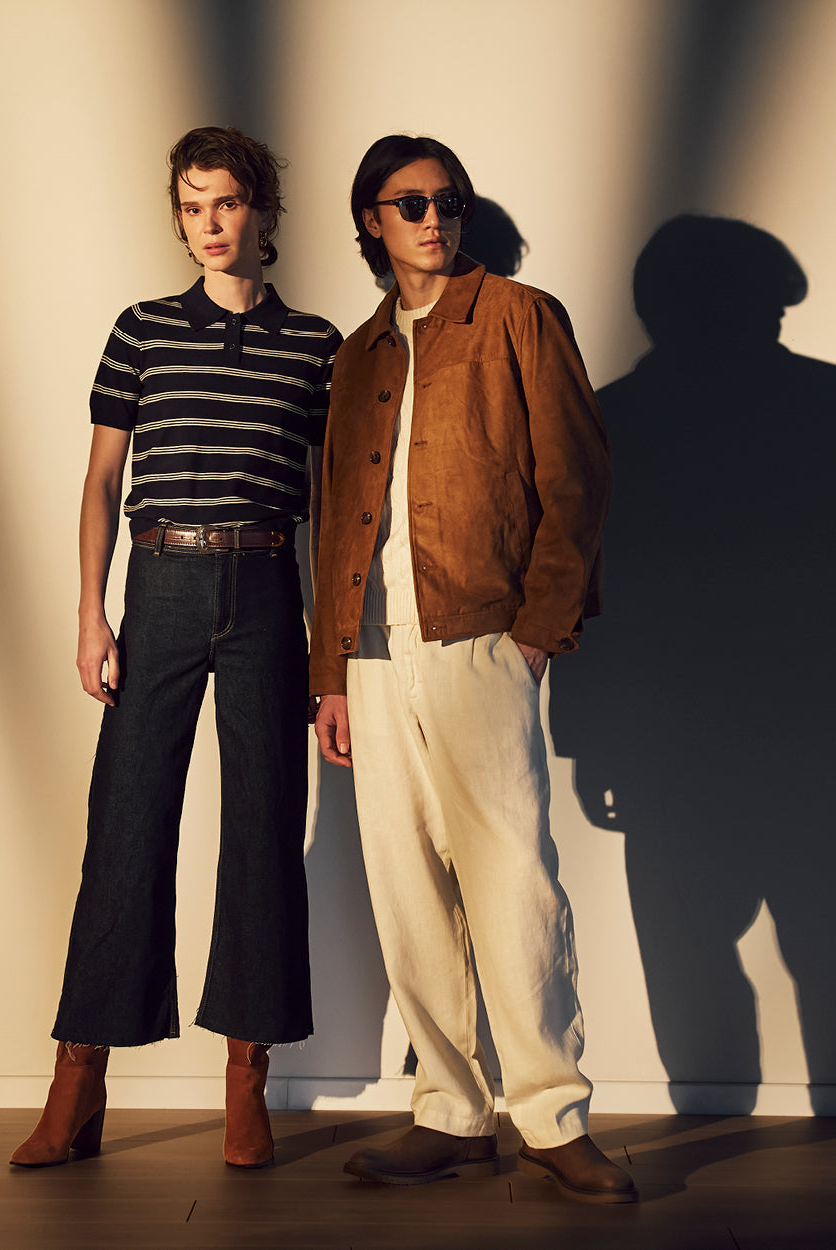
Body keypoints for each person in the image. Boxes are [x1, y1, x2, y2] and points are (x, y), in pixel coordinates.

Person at [310, 134, 637, 1203]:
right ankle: (449, 1112)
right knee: (405, 889)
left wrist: (538, 629)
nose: (433, 218)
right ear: (371, 220)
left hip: (481, 635)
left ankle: (552, 1117)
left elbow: (576, 477)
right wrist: (329, 671)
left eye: (447, 200)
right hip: (372, 649)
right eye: (408, 203)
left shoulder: (517, 316)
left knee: (513, 883)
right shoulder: (358, 353)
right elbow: (333, 514)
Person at [11, 126, 341, 1170]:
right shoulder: (142, 330)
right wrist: (89, 612)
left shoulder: (315, 345)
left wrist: (328, 648)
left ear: (263, 210)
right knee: (127, 821)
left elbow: (333, 509)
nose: (209, 222)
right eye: (192, 205)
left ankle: (248, 1077)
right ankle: (78, 1077)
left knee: (263, 826)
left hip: (266, 587)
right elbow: (101, 479)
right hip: (158, 583)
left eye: (227, 202)